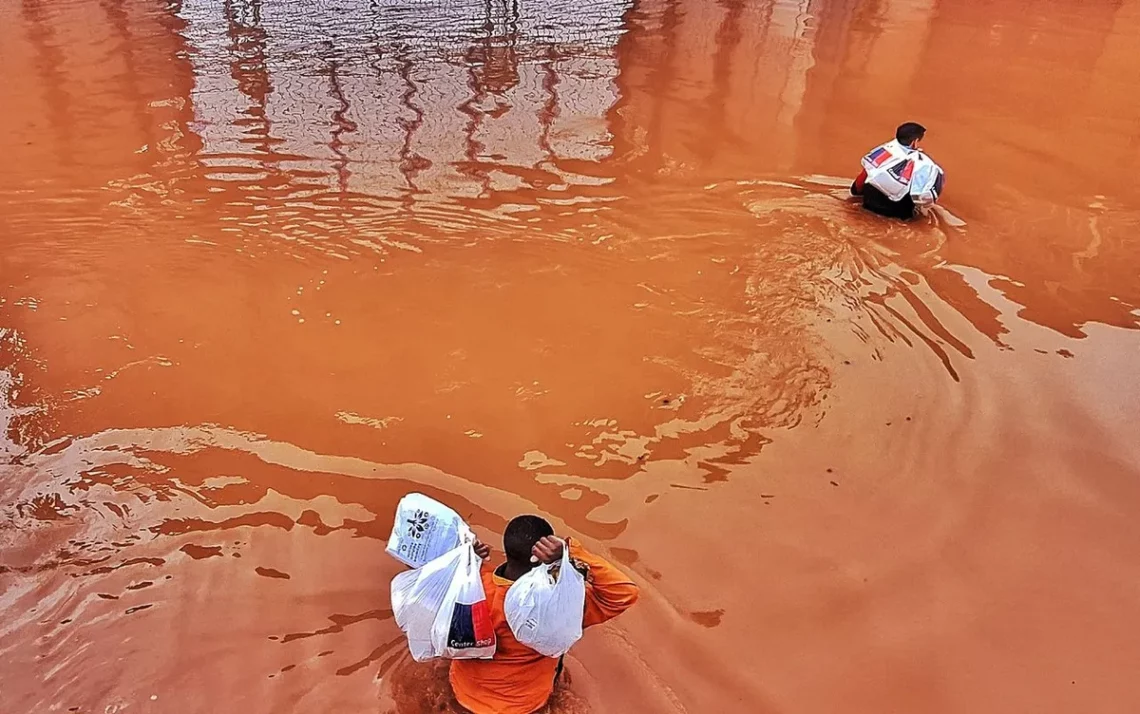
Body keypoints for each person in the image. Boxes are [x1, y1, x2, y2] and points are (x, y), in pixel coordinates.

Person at [450, 515, 640, 714]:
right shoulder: (561, 606)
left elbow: (424, 581)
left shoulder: (469, 587)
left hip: (464, 697)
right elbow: (625, 592)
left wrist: (465, 560)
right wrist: (570, 553)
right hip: (525, 706)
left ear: (507, 550)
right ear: (541, 558)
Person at [851, 122, 945, 220]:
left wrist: (855, 192)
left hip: (868, 204)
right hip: (896, 212)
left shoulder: (885, 149)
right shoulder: (924, 164)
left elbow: (864, 175)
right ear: (915, 141)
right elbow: (924, 197)